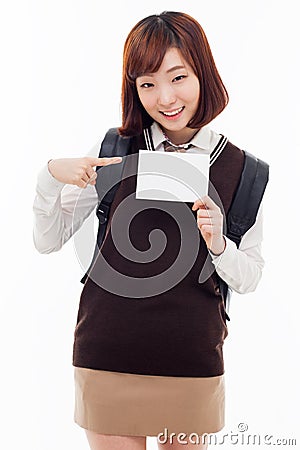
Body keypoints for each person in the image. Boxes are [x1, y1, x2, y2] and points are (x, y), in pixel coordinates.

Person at [33, 11, 266, 450]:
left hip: (192, 358)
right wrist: (50, 175)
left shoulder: (244, 171)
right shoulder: (114, 152)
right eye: (147, 84)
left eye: (178, 77)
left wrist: (219, 245)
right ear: (134, 89)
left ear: (203, 73)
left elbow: (251, 276)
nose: (165, 98)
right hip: (108, 354)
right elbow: (48, 240)